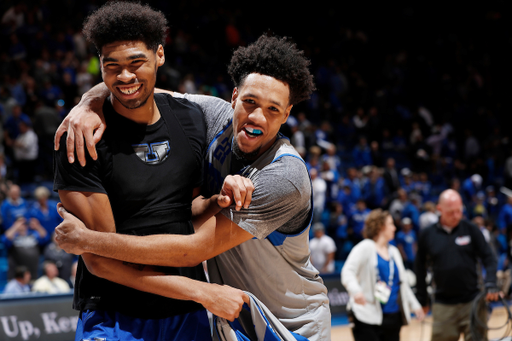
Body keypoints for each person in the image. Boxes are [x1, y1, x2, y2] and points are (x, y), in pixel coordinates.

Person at [54, 33, 331, 340]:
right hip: (232, 316)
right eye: (250, 102)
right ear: (235, 97)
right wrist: (87, 103)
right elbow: (132, 87)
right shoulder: (210, 116)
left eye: (273, 109)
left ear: (287, 114)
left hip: (290, 322)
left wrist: (89, 241)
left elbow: (193, 250)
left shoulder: (285, 175)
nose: (256, 117)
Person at [53, 3, 245, 341]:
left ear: (160, 55)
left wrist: (219, 200)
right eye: (111, 66)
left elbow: (184, 212)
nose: (124, 76)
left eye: (136, 63)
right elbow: (101, 260)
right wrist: (200, 291)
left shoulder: (191, 119)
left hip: (185, 315)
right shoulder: (81, 139)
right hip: (114, 316)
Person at [415, 189, 500, 341]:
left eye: (458, 211)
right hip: (443, 305)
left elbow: (489, 258)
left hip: (473, 302)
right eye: (450, 212)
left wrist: (491, 281)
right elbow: (419, 268)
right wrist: (422, 299)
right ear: (439, 209)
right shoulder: (428, 235)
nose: (456, 216)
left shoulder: (471, 229)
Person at [341, 209, 424, 341]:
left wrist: (415, 305)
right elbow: (347, 272)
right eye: (391, 224)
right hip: (366, 315)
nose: (394, 228)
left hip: (393, 317)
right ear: (380, 226)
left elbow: (402, 283)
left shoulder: (394, 251)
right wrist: (355, 291)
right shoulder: (365, 247)